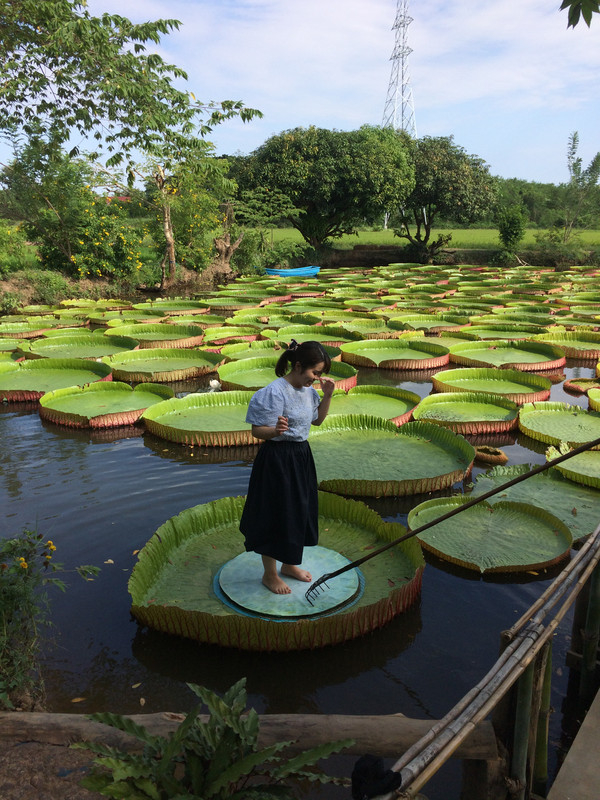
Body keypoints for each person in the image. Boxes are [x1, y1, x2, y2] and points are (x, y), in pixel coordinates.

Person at [239, 339, 335, 595]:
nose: (316, 378)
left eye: (320, 374)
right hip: (277, 459)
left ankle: (289, 565)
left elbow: (317, 421)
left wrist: (327, 396)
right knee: (275, 514)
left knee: (298, 511)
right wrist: (275, 430)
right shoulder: (274, 392)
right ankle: (269, 575)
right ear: (299, 365)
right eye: (315, 373)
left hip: (301, 456)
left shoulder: (309, 392)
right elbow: (257, 431)